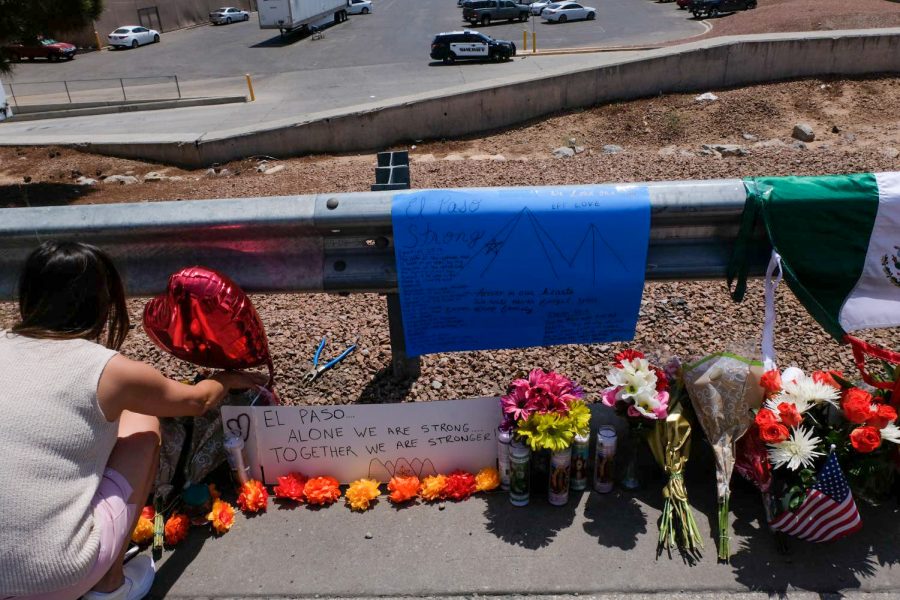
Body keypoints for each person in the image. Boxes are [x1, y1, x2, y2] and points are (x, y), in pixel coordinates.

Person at [0, 241, 266, 600]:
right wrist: (226, 380)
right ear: (102, 302)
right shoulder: (108, 370)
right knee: (141, 423)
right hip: (56, 576)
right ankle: (109, 585)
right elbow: (197, 401)